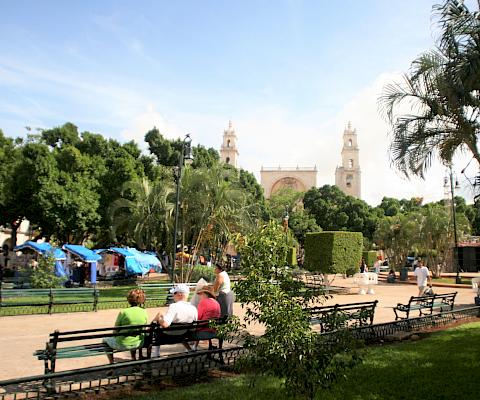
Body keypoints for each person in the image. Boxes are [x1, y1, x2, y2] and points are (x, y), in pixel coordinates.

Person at [103, 289, 148, 364]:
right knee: (133, 333)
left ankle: (111, 363)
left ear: (129, 300)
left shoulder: (123, 312)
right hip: (138, 343)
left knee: (105, 340)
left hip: (123, 344)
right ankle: (133, 359)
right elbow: (144, 328)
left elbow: (115, 331)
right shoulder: (144, 311)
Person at [152, 284, 198, 356]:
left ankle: (156, 352)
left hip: (169, 335)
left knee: (157, 327)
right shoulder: (193, 308)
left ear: (179, 294)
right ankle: (189, 349)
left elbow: (165, 324)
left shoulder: (174, 306)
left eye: (174, 293)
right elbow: (194, 328)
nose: (173, 296)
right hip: (184, 334)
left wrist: (159, 317)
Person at [192, 285, 221, 350]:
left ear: (205, 294)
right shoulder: (216, 303)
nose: (199, 296)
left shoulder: (203, 302)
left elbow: (198, 318)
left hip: (204, 332)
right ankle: (194, 346)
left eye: (200, 294)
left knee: (188, 332)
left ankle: (192, 348)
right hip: (215, 331)